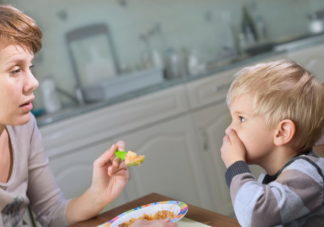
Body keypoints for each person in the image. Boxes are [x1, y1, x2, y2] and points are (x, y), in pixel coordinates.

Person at [0, 4, 176, 227]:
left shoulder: (24, 127)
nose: (34, 82)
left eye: (30, 67)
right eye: (16, 70)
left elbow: (51, 212)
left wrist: (97, 195)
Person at [221, 59, 324, 227]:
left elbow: (253, 216)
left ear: (282, 132)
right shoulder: (272, 174)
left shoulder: (308, 175)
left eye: (241, 118)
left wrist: (235, 165)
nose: (229, 130)